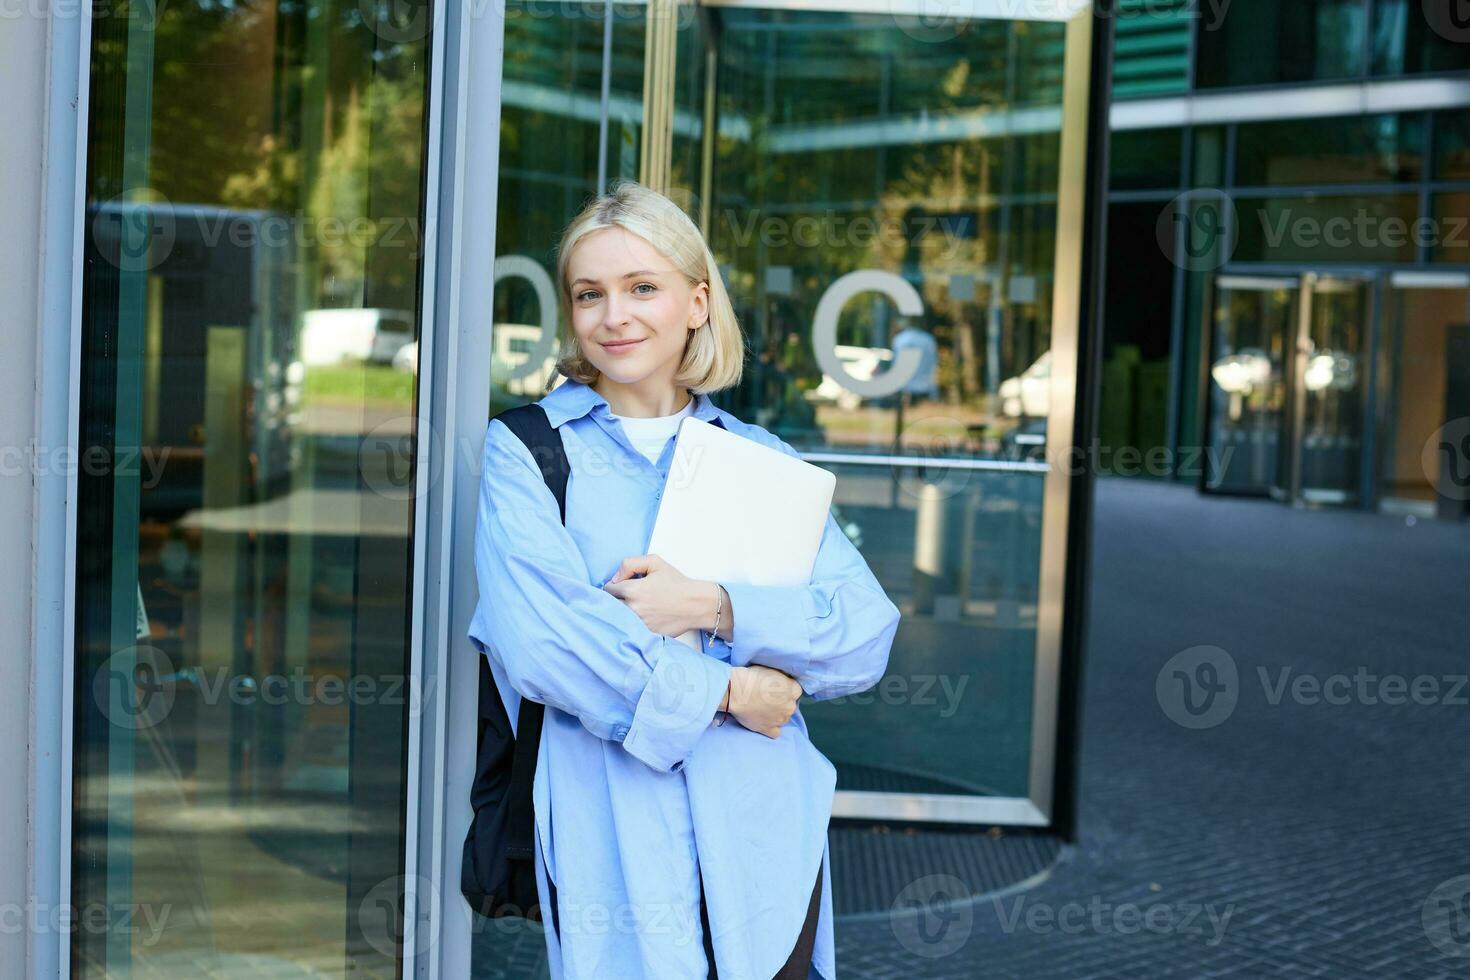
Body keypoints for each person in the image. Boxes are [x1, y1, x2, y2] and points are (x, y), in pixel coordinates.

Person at [468, 182, 901, 979]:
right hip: (613, 833)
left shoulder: (761, 458)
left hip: (767, 832)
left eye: (643, 288)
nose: (614, 315)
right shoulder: (526, 454)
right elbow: (544, 648)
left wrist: (716, 605)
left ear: (697, 303)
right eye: (589, 294)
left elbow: (864, 633)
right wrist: (735, 692)